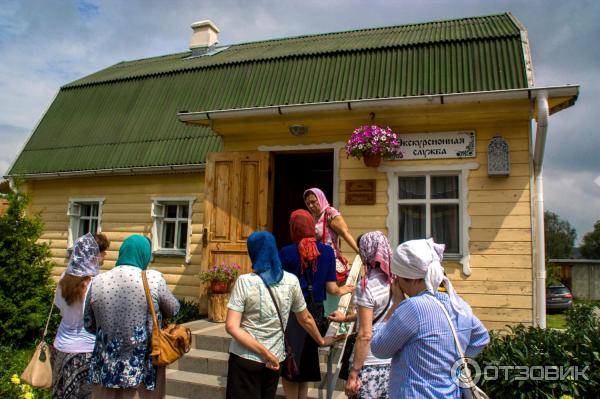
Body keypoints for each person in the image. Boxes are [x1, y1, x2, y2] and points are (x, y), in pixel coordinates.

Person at [225, 231, 342, 399]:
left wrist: (264, 353)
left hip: (246, 359)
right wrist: (321, 340)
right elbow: (306, 318)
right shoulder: (291, 281)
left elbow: (231, 326)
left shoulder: (245, 281)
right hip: (275, 361)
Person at [370, 238, 490, 398]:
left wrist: (396, 304)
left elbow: (379, 348)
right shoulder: (459, 305)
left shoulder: (412, 307)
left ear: (411, 279)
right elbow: (481, 338)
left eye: (397, 277)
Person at [84, 235, 180, 399]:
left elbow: (88, 322)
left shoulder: (97, 281)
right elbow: (174, 309)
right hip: (142, 370)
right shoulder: (153, 279)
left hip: (105, 368)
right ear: (144, 254)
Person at [279, 210, 354, 399]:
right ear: (311, 227)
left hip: (292, 314)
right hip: (315, 313)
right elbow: (332, 289)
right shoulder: (327, 251)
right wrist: (345, 290)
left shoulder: (286, 252)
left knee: (291, 364)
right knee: (306, 363)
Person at [329, 231, 393, 399]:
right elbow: (380, 314)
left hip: (369, 363)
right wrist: (346, 318)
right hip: (391, 362)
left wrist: (354, 372)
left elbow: (365, 335)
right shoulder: (394, 282)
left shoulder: (366, 286)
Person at [52, 233, 109, 399]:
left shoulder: (64, 279)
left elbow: (60, 308)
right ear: (94, 255)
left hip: (61, 346)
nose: (105, 256)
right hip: (86, 350)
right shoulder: (95, 283)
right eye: (103, 252)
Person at [303, 187, 359, 315]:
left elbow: (345, 233)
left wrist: (359, 252)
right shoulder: (312, 217)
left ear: (320, 199)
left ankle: (340, 324)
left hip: (330, 259)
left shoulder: (330, 213)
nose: (311, 205)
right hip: (316, 261)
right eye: (308, 203)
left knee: (333, 292)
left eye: (313, 201)